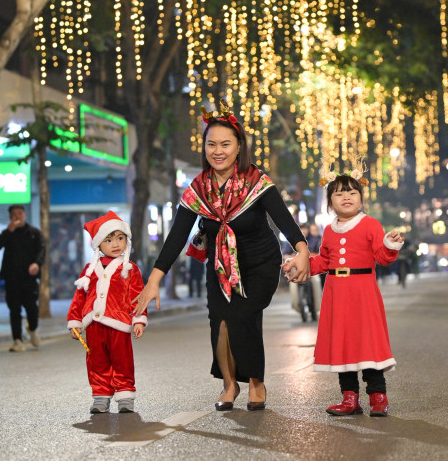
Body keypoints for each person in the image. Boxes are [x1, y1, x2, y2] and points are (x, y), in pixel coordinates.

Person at [134, 102, 310, 412]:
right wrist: (153, 280)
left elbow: (283, 220)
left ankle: (256, 381)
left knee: (243, 317)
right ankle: (229, 384)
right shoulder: (198, 189)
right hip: (219, 267)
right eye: (211, 144)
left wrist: (303, 249)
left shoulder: (257, 182)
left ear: (239, 146)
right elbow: (176, 236)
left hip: (259, 264)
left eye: (225, 144)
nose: (218, 151)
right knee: (220, 323)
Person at [283, 173, 403, 417]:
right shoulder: (328, 230)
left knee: (367, 342)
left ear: (361, 199)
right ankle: (350, 399)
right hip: (336, 293)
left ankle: (378, 397)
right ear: (330, 203)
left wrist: (390, 245)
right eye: (338, 193)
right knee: (342, 342)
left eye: (352, 192)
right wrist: (300, 264)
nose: (346, 197)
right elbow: (324, 261)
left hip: (363, 293)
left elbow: (381, 256)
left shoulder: (370, 224)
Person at [67, 211, 147, 414]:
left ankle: (125, 395)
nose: (115, 244)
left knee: (123, 360)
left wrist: (138, 319)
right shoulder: (89, 269)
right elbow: (80, 297)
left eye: (120, 238)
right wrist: (75, 321)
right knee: (97, 361)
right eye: (109, 239)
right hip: (93, 326)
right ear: (98, 244)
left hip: (119, 323)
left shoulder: (130, 268)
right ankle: (101, 395)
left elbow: (137, 295)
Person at [0, 205, 46, 352]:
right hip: (11, 279)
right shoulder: (8, 233)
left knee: (32, 309)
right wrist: (9, 231)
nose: (17, 216)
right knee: (14, 310)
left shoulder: (34, 233)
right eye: (14, 214)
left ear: (25, 214)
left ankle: (32, 329)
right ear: (10, 217)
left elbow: (42, 250)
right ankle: (17, 340)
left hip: (29, 279)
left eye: (19, 213)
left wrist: (37, 264)